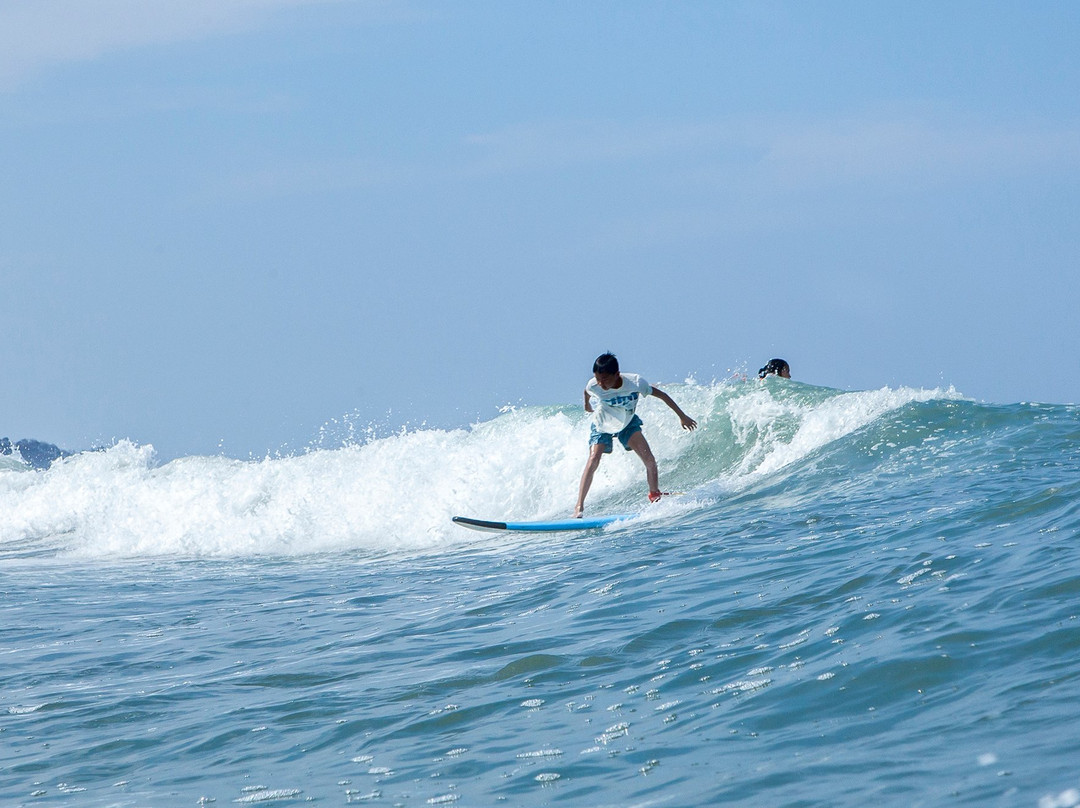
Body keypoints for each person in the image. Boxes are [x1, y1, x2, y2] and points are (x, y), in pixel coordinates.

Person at [573, 353, 697, 518]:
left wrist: (682, 416)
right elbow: (587, 391)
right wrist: (587, 405)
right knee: (594, 458)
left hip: (627, 422)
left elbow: (663, 396)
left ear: (617, 374)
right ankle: (579, 507)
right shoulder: (594, 385)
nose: (601, 384)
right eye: (597, 379)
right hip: (603, 422)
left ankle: (654, 495)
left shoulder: (636, 383)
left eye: (604, 379)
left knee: (649, 459)